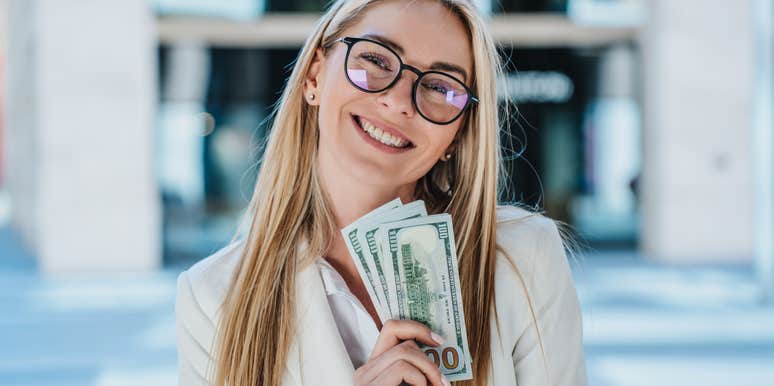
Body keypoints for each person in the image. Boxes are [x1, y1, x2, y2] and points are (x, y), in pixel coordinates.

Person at [175, 0, 588, 385]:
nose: (398, 101)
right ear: (315, 75)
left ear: (457, 134)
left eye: (440, 88)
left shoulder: (524, 257)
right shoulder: (213, 297)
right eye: (374, 59)